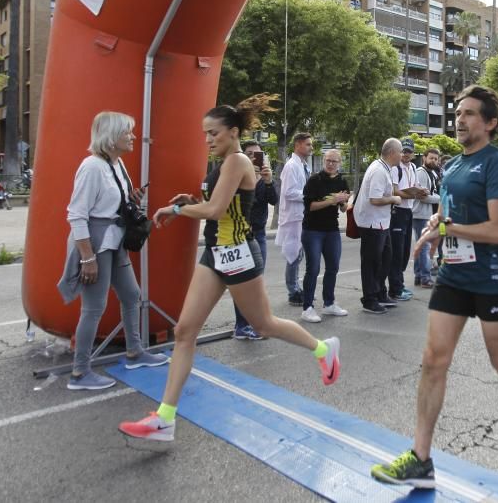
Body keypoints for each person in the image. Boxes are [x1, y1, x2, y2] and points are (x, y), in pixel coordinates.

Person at [371, 85, 498, 489]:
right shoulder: (455, 166)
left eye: (470, 114)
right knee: (433, 359)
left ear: (490, 123)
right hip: (454, 275)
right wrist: (434, 228)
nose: (460, 119)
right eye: (458, 112)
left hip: (493, 277)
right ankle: (420, 458)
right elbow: (446, 213)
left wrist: (449, 227)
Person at [119, 104, 340, 442]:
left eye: (213, 133)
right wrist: (190, 198)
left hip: (239, 252)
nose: (207, 140)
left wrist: (178, 208)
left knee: (264, 323)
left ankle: (324, 349)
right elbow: (216, 205)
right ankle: (164, 418)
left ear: (233, 133)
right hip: (216, 253)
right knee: (184, 332)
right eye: (205, 134)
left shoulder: (237, 161)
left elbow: (216, 209)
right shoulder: (223, 164)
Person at [57, 111, 169, 390]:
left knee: (132, 295)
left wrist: (130, 200)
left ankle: (135, 352)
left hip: (114, 240)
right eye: (127, 132)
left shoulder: (116, 164)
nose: (132, 136)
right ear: (110, 136)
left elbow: (109, 202)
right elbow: (76, 214)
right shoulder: (92, 166)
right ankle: (80, 373)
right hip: (97, 243)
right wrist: (88, 257)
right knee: (94, 308)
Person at [232, 140, 278, 340]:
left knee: (257, 281)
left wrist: (267, 181)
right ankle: (241, 326)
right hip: (240, 234)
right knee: (242, 281)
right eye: (249, 153)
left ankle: (252, 324)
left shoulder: (263, 179)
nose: (253, 157)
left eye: (257, 154)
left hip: (258, 233)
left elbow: (273, 200)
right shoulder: (237, 177)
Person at [299, 149, 351, 322]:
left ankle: (329, 304)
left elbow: (343, 208)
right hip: (312, 229)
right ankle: (307, 307)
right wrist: (331, 200)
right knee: (313, 269)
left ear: (340, 163)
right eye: (328, 160)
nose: (331, 164)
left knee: (333, 267)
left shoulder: (342, 180)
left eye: (334, 161)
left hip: (332, 229)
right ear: (323, 161)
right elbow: (310, 206)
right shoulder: (314, 180)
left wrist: (344, 202)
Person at [353, 139, 403, 315]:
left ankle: (380, 293)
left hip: (381, 222)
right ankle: (370, 299)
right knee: (372, 262)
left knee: (385, 259)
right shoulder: (379, 171)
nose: (402, 155)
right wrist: (394, 199)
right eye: (400, 151)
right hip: (372, 223)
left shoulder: (384, 168)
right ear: (392, 153)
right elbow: (374, 199)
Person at [388, 138, 427, 302]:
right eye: (403, 151)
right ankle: (394, 289)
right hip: (397, 212)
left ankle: (399, 284)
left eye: (409, 151)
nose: (406, 154)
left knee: (404, 252)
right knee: (396, 252)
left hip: (409, 210)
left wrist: (421, 191)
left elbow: (415, 187)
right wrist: (412, 194)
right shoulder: (396, 168)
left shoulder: (412, 167)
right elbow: (394, 191)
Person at [276, 133, 312, 306]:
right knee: (293, 255)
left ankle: (296, 288)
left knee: (298, 255)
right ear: (297, 145)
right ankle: (293, 291)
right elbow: (289, 192)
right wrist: (309, 195)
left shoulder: (303, 165)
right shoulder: (292, 166)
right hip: (293, 217)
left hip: (301, 216)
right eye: (308, 144)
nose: (311, 147)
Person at [412, 148, 442, 287]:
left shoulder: (432, 173)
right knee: (425, 246)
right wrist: (440, 199)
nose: (434, 161)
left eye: (436, 159)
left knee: (422, 245)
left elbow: (431, 193)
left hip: (427, 214)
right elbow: (423, 197)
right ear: (424, 158)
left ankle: (419, 276)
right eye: (431, 158)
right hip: (421, 214)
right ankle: (425, 277)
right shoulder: (421, 173)